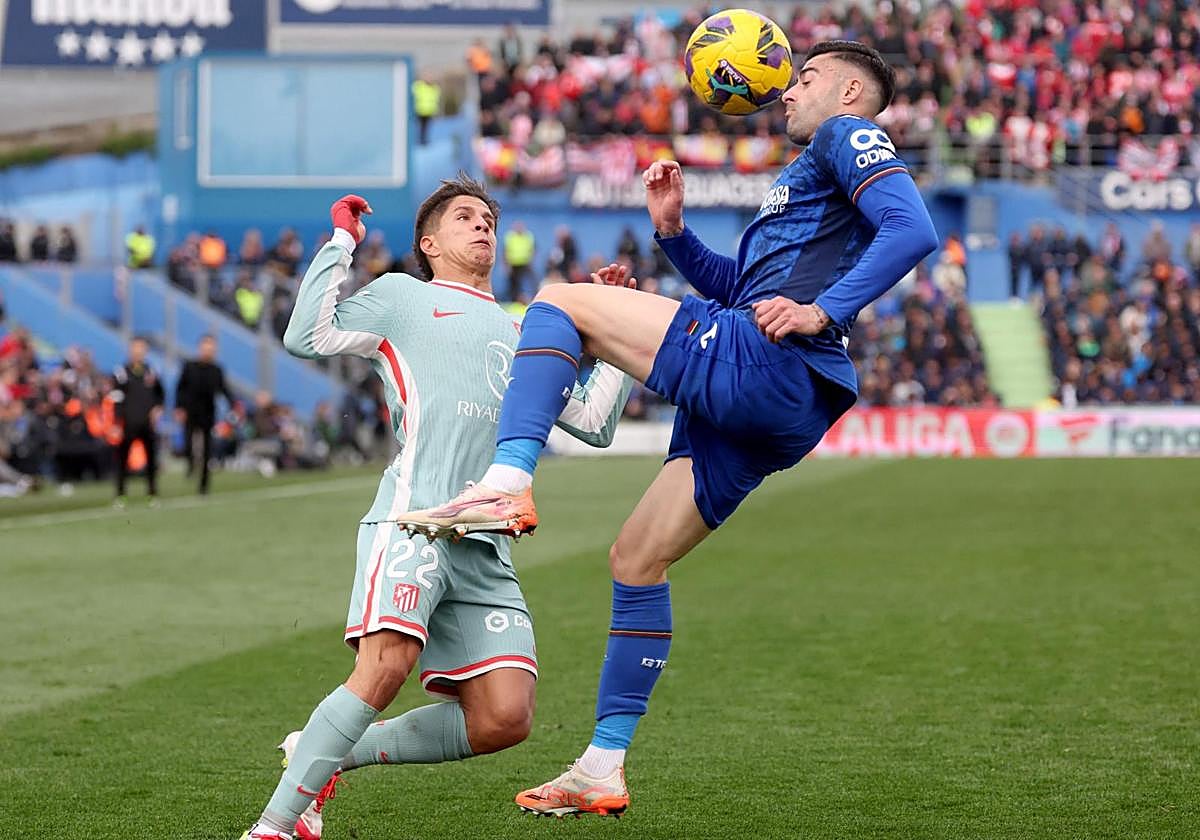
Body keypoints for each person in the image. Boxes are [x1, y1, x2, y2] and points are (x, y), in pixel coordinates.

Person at [396, 40, 939, 816]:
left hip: (771, 363)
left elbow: (912, 229)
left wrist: (824, 311)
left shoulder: (844, 133)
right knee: (637, 559)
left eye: (807, 77)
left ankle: (507, 482)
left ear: (851, 92)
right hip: (782, 396)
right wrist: (676, 234)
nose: (789, 90)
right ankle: (602, 766)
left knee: (559, 301)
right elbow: (744, 290)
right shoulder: (812, 173)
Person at [239, 175, 632, 840]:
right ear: (430, 243)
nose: (482, 227)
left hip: (486, 544)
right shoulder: (403, 297)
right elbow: (307, 335)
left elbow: (594, 421)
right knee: (385, 668)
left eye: (488, 219)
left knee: (505, 717)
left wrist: (614, 329)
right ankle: (274, 827)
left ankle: (323, 751)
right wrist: (341, 242)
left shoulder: (525, 330)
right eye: (464, 217)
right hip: (413, 522)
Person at [175, 334, 237, 494]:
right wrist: (179, 408)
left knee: (207, 450)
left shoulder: (216, 370)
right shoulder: (189, 367)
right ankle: (190, 464)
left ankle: (204, 485)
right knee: (188, 443)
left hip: (207, 413)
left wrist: (233, 405)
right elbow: (180, 388)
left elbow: (224, 390)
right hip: (190, 412)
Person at [112, 336, 164, 506]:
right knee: (122, 460)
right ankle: (121, 495)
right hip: (128, 423)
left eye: (141, 348)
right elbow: (116, 398)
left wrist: (158, 408)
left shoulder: (152, 372)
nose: (138, 351)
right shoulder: (121, 372)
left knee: (151, 460)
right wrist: (117, 423)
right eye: (135, 347)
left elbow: (160, 395)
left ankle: (152, 494)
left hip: (147, 424)